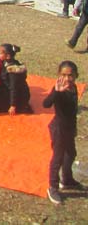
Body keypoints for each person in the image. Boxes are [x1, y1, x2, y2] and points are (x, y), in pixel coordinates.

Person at [44, 61, 82, 204]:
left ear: (76, 76)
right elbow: (46, 104)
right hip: (58, 129)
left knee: (71, 153)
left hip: (69, 128)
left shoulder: (74, 88)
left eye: (70, 75)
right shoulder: (59, 91)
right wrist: (56, 92)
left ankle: (67, 179)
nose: (67, 78)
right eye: (63, 75)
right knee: (58, 158)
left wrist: (74, 128)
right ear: (59, 75)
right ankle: (53, 187)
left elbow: (72, 111)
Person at [0, 44, 32, 115]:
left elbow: (14, 88)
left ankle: (20, 106)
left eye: (0, 53)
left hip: (19, 95)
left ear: (8, 56)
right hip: (10, 89)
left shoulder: (13, 70)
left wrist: (13, 105)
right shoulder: (6, 61)